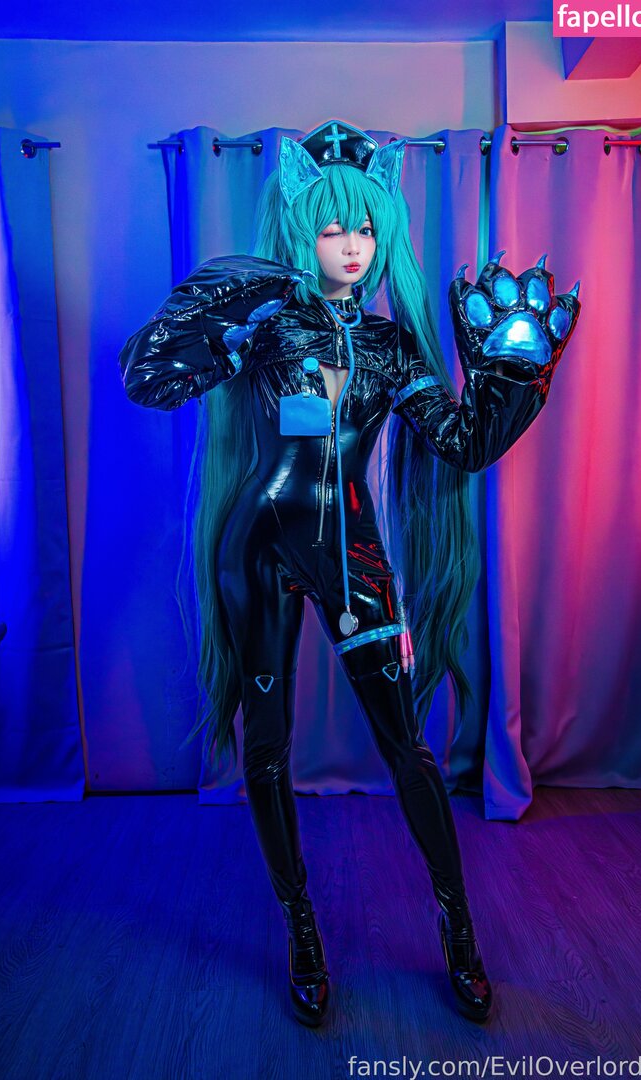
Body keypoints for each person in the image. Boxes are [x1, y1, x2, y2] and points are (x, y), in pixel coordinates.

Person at [119, 120, 581, 1028]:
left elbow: (461, 444)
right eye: (332, 228)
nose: (351, 246)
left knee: (407, 746)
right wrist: (225, 321)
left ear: (384, 233)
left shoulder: (392, 347)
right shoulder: (268, 324)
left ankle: (458, 928)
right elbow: (147, 379)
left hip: (354, 553)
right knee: (265, 745)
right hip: (257, 544)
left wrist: (513, 375)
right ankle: (301, 925)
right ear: (302, 231)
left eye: (365, 228)